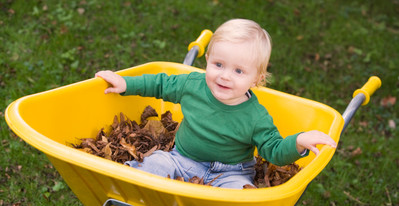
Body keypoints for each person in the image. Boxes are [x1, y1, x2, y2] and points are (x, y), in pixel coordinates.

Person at [95, 19, 337, 189]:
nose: (225, 76)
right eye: (219, 64)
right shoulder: (193, 84)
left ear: (257, 79)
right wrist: (126, 84)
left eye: (239, 71)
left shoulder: (256, 116)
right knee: (156, 163)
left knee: (240, 196)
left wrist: (298, 143)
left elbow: (273, 150)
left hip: (231, 172)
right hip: (182, 159)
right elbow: (160, 84)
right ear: (208, 60)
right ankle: (136, 205)